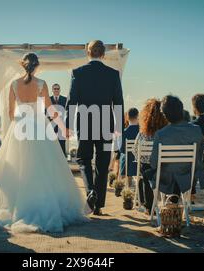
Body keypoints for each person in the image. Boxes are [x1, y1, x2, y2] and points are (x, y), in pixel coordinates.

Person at [0, 53, 87, 233]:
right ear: (37, 66)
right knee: (44, 167)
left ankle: (17, 207)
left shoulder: (14, 84)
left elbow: (10, 112)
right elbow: (50, 109)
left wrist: (18, 122)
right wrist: (63, 127)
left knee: (19, 168)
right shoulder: (41, 84)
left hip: (19, 127)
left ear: (22, 66)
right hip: (39, 127)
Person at [65, 40, 125, 216]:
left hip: (84, 123)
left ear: (87, 52)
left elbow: (72, 101)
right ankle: (98, 205)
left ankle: (90, 190)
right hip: (107, 126)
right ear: (103, 54)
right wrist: (119, 126)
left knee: (83, 159)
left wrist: (68, 125)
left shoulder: (78, 72)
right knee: (103, 161)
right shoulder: (113, 74)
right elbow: (118, 102)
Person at [147, 95, 204, 203]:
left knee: (147, 174)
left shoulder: (161, 134)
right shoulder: (196, 130)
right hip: (190, 179)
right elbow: (199, 157)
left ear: (165, 115)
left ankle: (154, 206)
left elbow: (153, 163)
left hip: (167, 180)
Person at [132, 99, 168, 211]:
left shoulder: (143, 133)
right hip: (166, 168)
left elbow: (135, 151)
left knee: (145, 171)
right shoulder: (167, 132)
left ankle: (148, 206)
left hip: (149, 169)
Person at [119, 108, 139, 186]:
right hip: (139, 163)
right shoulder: (142, 131)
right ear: (138, 116)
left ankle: (127, 186)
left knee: (124, 155)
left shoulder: (124, 132)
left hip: (127, 164)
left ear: (127, 118)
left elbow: (122, 149)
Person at [49, 83, 68, 156]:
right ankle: (51, 157)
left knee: (62, 143)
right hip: (51, 124)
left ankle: (63, 158)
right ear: (52, 90)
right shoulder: (49, 99)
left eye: (57, 89)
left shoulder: (65, 99)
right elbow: (45, 111)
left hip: (61, 124)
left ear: (60, 90)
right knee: (51, 142)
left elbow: (68, 111)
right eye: (55, 89)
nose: (56, 90)